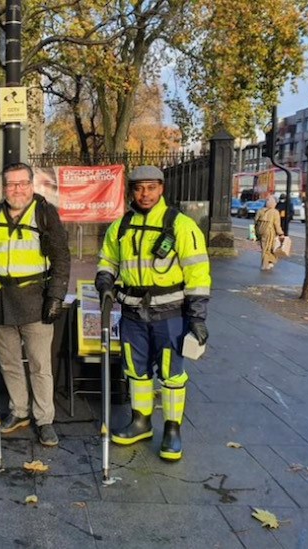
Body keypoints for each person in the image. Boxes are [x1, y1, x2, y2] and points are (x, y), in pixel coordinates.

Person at [95, 166, 211, 461]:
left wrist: (197, 317)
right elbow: (107, 259)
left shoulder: (181, 226)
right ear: (131, 190)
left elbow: (198, 271)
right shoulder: (120, 226)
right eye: (138, 188)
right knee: (136, 371)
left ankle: (172, 430)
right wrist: (105, 281)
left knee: (172, 375)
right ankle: (141, 421)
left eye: (151, 187)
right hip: (132, 313)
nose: (145, 194)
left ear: (161, 189)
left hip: (170, 315)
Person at [0, 162, 71, 447]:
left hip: (36, 298)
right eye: (11, 184)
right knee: (10, 363)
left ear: (31, 184)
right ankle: (20, 412)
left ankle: (44, 420)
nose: (17, 189)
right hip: (1, 298)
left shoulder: (45, 213)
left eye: (22, 183)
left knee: (40, 365)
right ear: (4, 187)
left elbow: (62, 257)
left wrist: (56, 296)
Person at [255, 195, 285, 271]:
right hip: (270, 232)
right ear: (274, 203)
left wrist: (255, 233)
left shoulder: (260, 210)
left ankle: (268, 262)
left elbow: (255, 222)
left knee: (264, 247)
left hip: (261, 231)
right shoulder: (275, 212)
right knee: (270, 248)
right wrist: (281, 234)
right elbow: (277, 225)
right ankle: (266, 264)